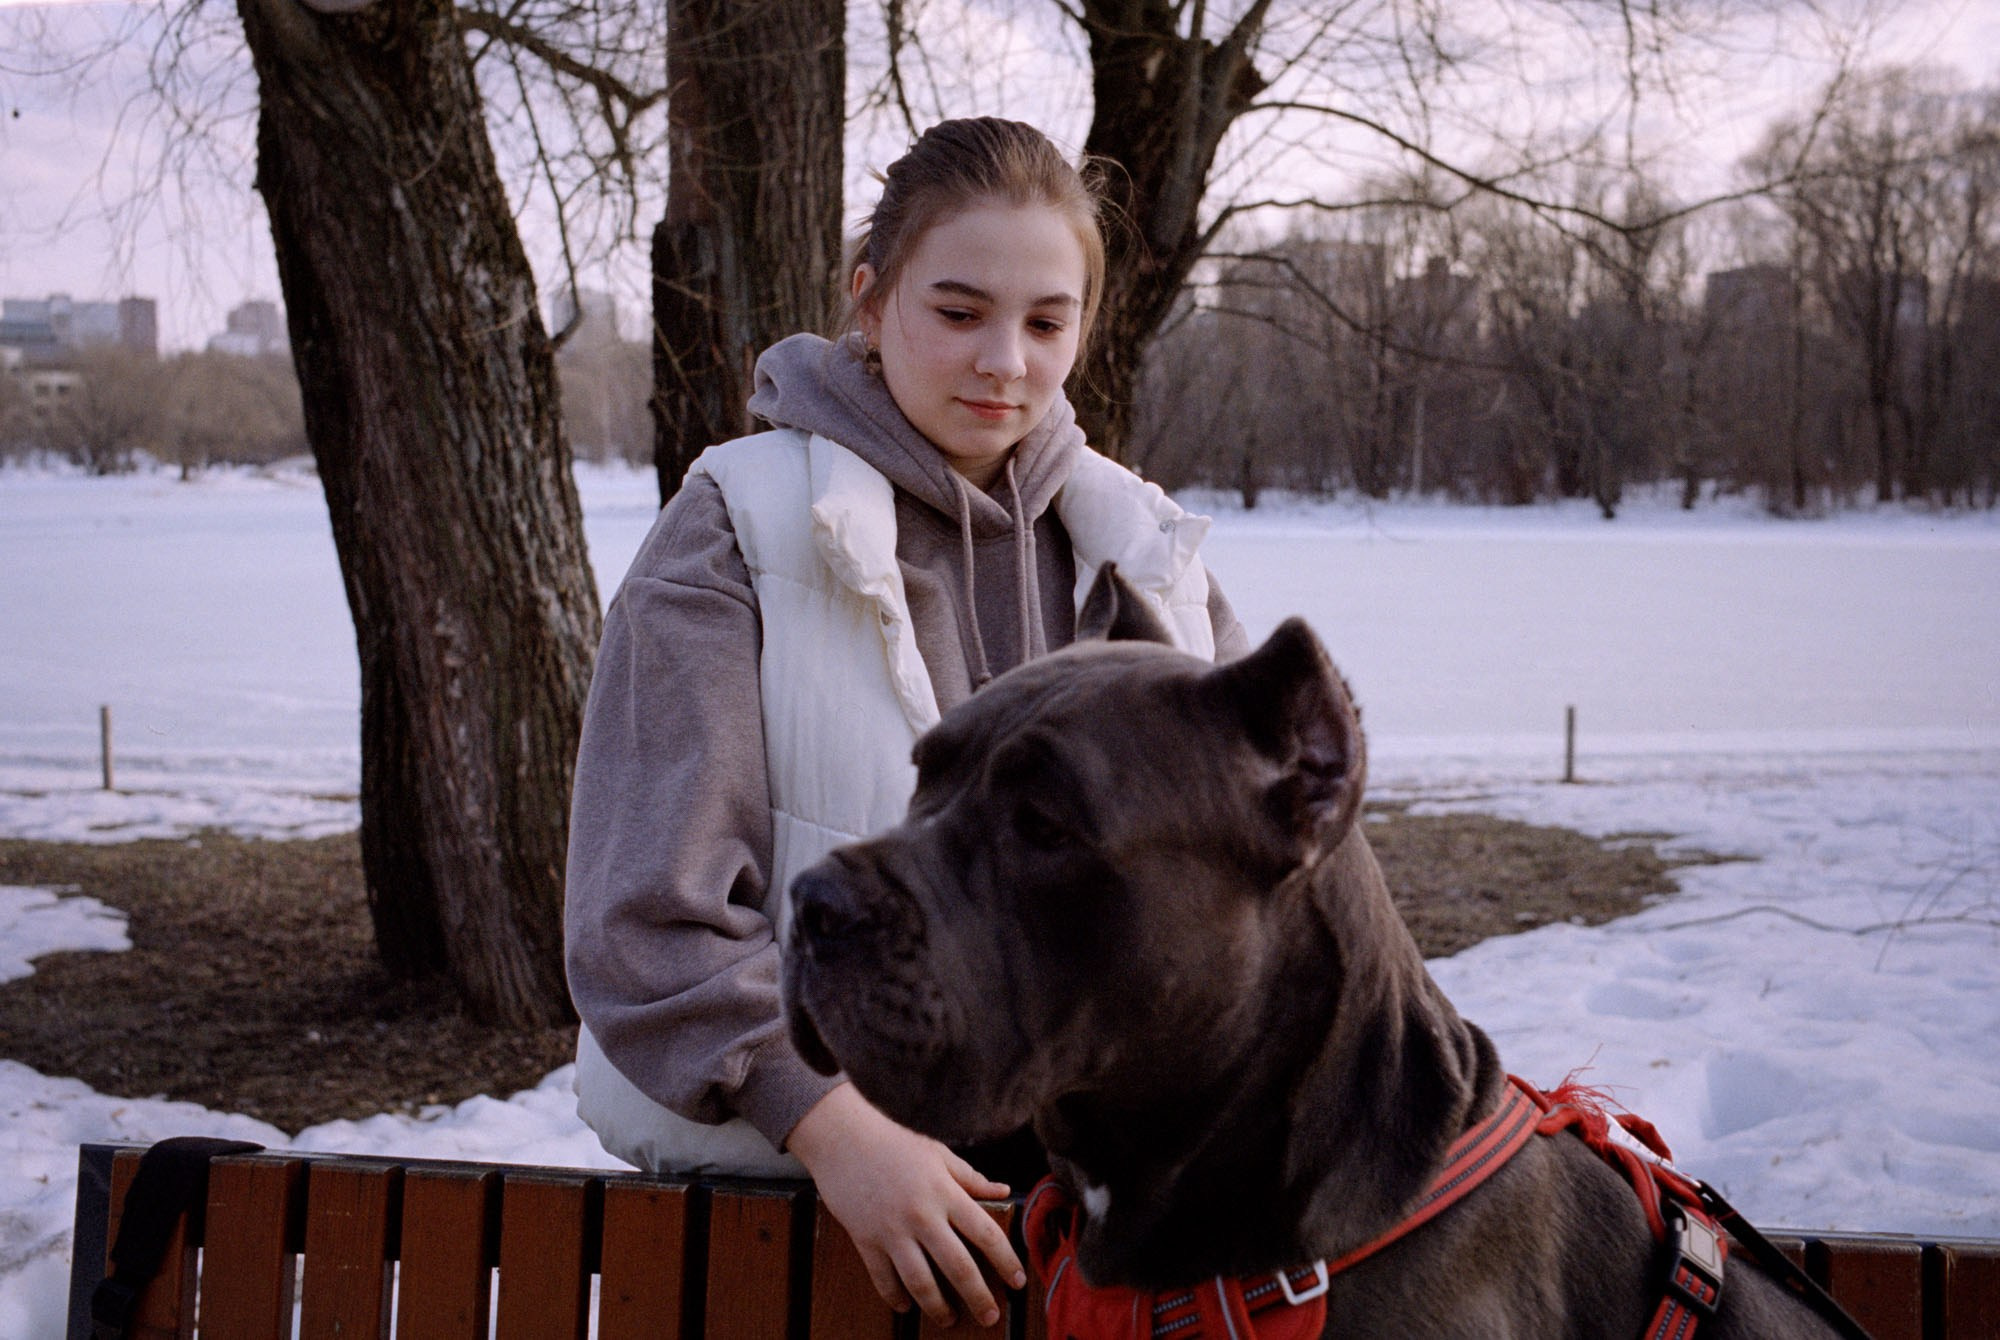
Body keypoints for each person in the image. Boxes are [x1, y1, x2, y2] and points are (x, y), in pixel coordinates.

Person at [563, 116, 1251, 1329]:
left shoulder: (1140, 551)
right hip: (808, 1225)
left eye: (1046, 321)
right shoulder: (738, 525)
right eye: (958, 309)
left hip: (1118, 1245)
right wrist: (836, 1131)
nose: (1005, 361)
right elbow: (641, 920)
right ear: (868, 301)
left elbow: (1261, 886)